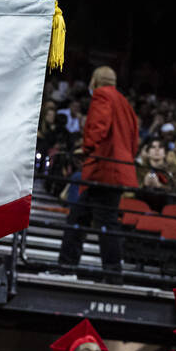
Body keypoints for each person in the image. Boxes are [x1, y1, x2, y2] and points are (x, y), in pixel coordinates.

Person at [58, 66, 140, 280]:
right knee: (82, 218)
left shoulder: (102, 95)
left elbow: (98, 127)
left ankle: (109, 273)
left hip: (103, 169)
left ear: (95, 80)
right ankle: (70, 267)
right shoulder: (125, 103)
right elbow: (134, 139)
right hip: (116, 169)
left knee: (102, 221)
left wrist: (86, 149)